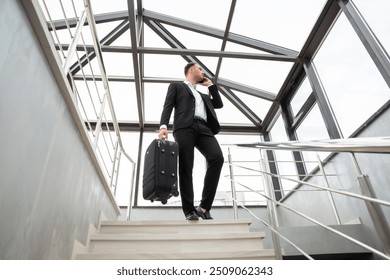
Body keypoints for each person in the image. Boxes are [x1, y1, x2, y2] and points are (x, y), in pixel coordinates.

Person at [158, 62, 224, 220]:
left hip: (204, 128)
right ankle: (189, 210)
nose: (202, 72)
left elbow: (219, 104)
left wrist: (211, 86)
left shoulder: (203, 95)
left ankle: (204, 207)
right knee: (186, 167)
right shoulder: (176, 86)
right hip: (184, 128)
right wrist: (163, 126)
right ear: (192, 69)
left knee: (217, 158)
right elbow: (167, 106)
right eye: (200, 69)